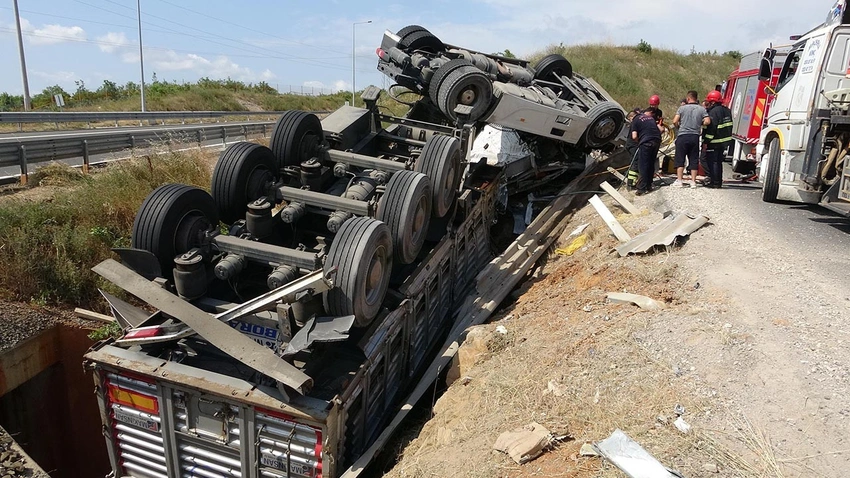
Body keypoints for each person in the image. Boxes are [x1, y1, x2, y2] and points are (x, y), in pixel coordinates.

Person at [672, 90, 709, 188]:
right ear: (696, 98)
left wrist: (679, 126)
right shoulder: (701, 109)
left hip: (683, 135)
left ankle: (679, 180)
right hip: (694, 136)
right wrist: (699, 124)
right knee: (694, 159)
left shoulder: (682, 108)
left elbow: (675, 121)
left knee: (680, 158)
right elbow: (707, 121)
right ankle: (693, 181)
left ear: (688, 98)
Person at [702, 90, 733, 188]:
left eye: (709, 102)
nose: (708, 103)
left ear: (713, 102)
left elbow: (711, 129)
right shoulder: (727, 110)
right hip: (724, 141)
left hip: (714, 141)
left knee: (713, 162)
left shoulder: (713, 112)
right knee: (719, 162)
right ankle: (718, 182)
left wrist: (706, 142)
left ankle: (714, 183)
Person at [631, 107, 662, 195]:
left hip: (646, 143)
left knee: (643, 165)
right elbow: (661, 130)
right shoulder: (651, 118)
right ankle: (649, 185)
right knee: (651, 163)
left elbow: (634, 136)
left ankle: (642, 188)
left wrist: (639, 142)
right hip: (656, 140)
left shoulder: (636, 120)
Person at [624, 108, 642, 188]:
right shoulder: (635, 123)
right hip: (633, 144)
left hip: (630, 144)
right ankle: (631, 182)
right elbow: (635, 136)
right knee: (635, 162)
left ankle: (631, 181)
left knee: (633, 162)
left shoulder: (634, 122)